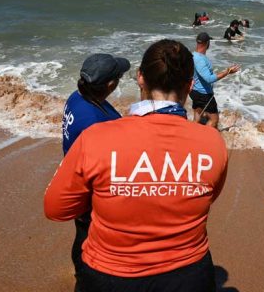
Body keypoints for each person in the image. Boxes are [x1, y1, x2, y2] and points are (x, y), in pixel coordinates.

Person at [45, 39, 228, 292]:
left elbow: (56, 209)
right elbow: (208, 195)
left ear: (140, 77)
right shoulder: (213, 142)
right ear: (190, 85)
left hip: (108, 276)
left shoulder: (96, 138)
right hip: (189, 274)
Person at [61, 53, 130, 290]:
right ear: (110, 85)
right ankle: (86, 280)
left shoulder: (78, 97)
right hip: (91, 192)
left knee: (82, 234)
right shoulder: (94, 122)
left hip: (77, 183)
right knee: (93, 241)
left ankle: (81, 273)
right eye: (119, 77)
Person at [190, 32, 240, 128]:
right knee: (214, 119)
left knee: (198, 116)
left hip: (194, 91)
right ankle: (206, 140)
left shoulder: (193, 55)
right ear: (207, 43)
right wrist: (228, 71)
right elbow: (209, 79)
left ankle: (192, 134)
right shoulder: (200, 59)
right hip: (203, 94)